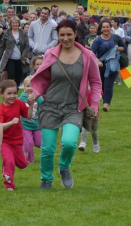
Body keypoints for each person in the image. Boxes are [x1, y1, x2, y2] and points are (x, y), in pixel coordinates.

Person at [31, 19, 102, 189]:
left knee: (69, 142)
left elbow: (96, 82)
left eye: (69, 34)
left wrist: (95, 104)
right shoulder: (50, 54)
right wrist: (36, 93)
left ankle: (64, 167)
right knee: (47, 148)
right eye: (61, 35)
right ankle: (46, 179)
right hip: (50, 106)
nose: (65, 38)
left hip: (74, 107)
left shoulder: (87, 56)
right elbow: (45, 78)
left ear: (75, 34)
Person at [91, 19, 127, 112]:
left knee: (108, 84)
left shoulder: (116, 38)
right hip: (101, 65)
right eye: (104, 27)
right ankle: (105, 101)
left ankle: (106, 104)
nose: (106, 29)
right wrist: (98, 61)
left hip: (113, 64)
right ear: (101, 29)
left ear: (111, 28)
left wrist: (117, 48)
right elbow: (91, 53)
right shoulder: (98, 39)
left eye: (107, 27)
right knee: (102, 85)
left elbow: (124, 47)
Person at [0, 16, 29, 87]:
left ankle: (15, 92)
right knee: (11, 75)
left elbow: (27, 46)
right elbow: (2, 47)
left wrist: (23, 57)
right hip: (10, 58)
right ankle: (9, 90)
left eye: (16, 23)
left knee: (18, 77)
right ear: (10, 24)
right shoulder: (7, 33)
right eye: (13, 23)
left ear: (19, 23)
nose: (15, 24)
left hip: (20, 59)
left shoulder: (23, 33)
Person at [19, 75, 43, 163]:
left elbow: (43, 108)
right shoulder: (21, 99)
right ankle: (29, 160)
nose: (30, 88)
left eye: (32, 86)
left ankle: (32, 139)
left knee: (39, 143)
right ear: (24, 87)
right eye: (28, 86)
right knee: (28, 145)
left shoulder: (39, 98)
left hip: (37, 125)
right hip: (25, 126)